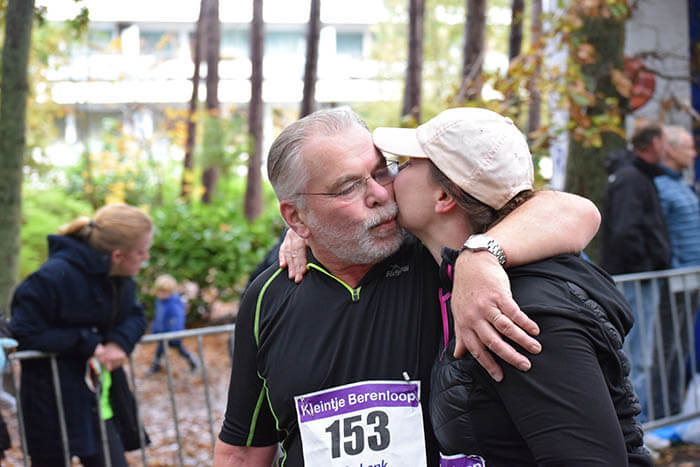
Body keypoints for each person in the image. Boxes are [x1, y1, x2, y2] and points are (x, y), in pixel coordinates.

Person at [213, 108, 601, 466]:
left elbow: (574, 211)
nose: (380, 193)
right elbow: (243, 449)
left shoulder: (437, 255)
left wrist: (479, 256)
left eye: (383, 171)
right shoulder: (270, 295)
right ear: (295, 216)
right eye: (348, 187)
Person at [372, 106, 651, 466]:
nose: (391, 176)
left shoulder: (521, 311)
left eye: (407, 164)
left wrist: (478, 255)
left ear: (445, 197)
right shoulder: (445, 270)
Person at [10, 203, 153, 467]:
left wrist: (119, 343)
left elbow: (136, 316)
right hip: (52, 405)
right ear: (117, 255)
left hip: (99, 404)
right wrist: (86, 342)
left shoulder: (120, 279)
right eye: (141, 252)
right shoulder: (50, 279)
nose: (146, 259)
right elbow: (24, 332)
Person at [601, 121, 672, 422]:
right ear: (654, 143)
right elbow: (624, 231)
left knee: (637, 356)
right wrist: (648, 264)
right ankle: (636, 430)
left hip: (637, 278)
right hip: (635, 280)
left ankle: (636, 429)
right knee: (636, 358)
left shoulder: (634, 175)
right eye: (665, 141)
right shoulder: (632, 178)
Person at [651, 125, 700, 418]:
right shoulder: (659, 186)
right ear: (669, 149)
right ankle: (659, 412)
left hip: (690, 277)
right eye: (688, 147)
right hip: (673, 278)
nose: (693, 153)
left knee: (680, 347)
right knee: (665, 348)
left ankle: (671, 409)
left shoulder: (681, 184)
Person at [147, 274, 199, 375]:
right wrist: (155, 329)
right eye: (159, 291)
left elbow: (178, 319)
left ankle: (192, 361)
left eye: (164, 292)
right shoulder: (159, 302)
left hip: (172, 335)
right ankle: (156, 366)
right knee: (159, 351)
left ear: (171, 292)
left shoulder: (174, 303)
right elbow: (158, 317)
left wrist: (176, 334)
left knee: (180, 350)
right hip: (162, 333)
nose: (161, 294)